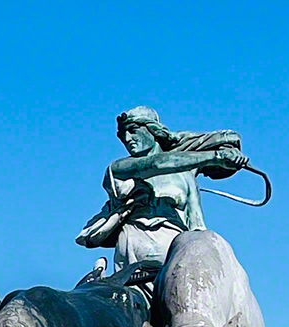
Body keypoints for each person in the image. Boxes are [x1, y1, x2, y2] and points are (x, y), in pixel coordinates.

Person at [75, 107, 249, 271]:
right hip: (135, 249)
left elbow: (197, 226)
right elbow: (156, 163)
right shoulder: (119, 168)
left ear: (153, 131)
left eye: (133, 130)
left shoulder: (185, 175)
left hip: (176, 249)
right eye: (122, 135)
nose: (127, 139)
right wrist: (216, 156)